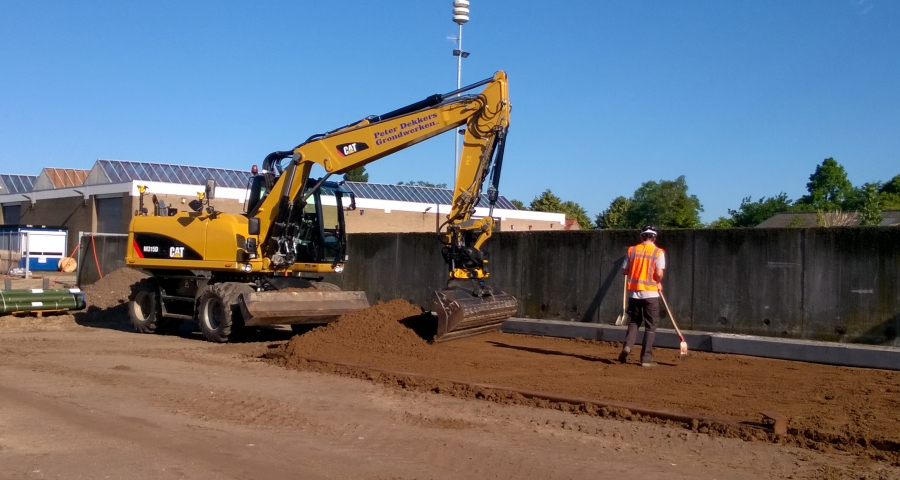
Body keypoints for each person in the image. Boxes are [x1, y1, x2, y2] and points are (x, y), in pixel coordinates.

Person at [618, 225, 666, 367]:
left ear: (642, 236)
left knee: (634, 321)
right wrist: (658, 282)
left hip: (634, 293)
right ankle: (645, 359)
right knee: (651, 325)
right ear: (654, 237)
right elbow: (659, 273)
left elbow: (624, 271)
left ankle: (628, 346)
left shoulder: (632, 250)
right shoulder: (658, 252)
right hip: (650, 293)